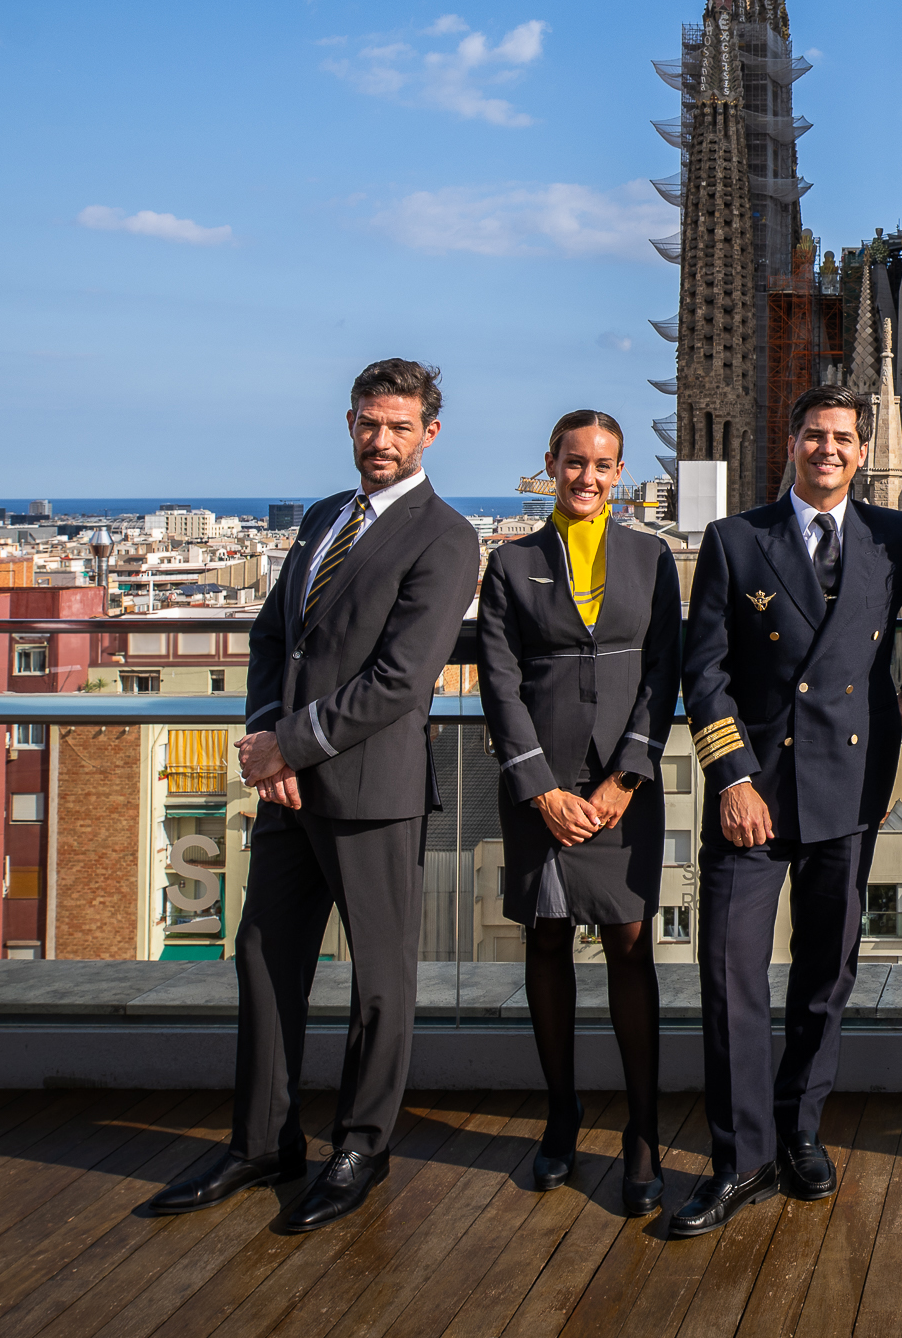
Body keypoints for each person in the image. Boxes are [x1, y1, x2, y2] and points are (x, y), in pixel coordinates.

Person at [151, 358, 482, 1233]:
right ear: (349, 423)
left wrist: (286, 745)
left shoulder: (446, 536)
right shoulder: (323, 518)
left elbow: (403, 679)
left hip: (372, 791)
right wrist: (270, 739)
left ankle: (362, 1148)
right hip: (290, 789)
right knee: (263, 960)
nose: (382, 440)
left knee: (379, 984)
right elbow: (273, 639)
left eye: (400, 426)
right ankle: (262, 1142)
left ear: (430, 434)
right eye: (370, 423)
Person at [667, 388, 902, 1238]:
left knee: (825, 975)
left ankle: (801, 1131)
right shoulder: (737, 539)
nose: (828, 450)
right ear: (793, 441)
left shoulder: (894, 536)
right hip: (756, 795)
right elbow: (703, 674)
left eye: (844, 439)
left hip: (847, 791)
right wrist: (731, 777)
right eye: (815, 435)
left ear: (862, 448)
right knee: (732, 980)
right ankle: (740, 1160)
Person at [475, 410, 682, 1216]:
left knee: (631, 948)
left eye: (603, 465)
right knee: (549, 939)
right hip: (544, 784)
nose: (587, 478)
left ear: (621, 473)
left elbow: (664, 671)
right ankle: (560, 1114)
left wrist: (625, 779)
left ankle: (642, 1130)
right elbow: (498, 680)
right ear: (550, 466)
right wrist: (542, 789)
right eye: (573, 463)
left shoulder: (651, 556)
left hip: (621, 785)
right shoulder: (512, 561)